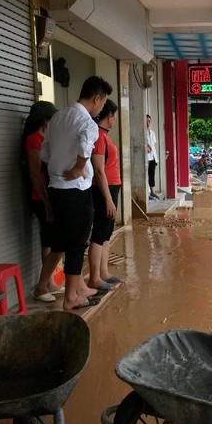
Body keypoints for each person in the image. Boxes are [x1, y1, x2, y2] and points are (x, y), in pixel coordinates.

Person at [34, 76, 113, 311]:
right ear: (97, 98)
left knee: (59, 242)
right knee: (77, 244)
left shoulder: (58, 116)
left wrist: (57, 168)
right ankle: (71, 298)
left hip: (56, 189)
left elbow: (45, 151)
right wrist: (78, 168)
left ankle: (42, 287)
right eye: (102, 103)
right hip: (75, 191)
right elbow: (85, 145)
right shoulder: (86, 121)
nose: (101, 108)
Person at [23, 101, 62, 302]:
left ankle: (48, 283)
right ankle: (42, 286)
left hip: (46, 196)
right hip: (40, 198)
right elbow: (35, 175)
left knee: (48, 240)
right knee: (54, 240)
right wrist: (47, 203)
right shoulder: (33, 140)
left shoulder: (42, 139)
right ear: (46, 121)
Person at [88, 99, 123, 290]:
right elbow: (99, 170)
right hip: (104, 190)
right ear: (109, 116)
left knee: (107, 233)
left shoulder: (104, 136)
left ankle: (103, 272)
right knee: (99, 232)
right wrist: (108, 199)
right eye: (114, 115)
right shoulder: (98, 137)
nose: (115, 119)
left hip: (111, 188)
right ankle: (94, 278)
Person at [146, 114, 159, 200]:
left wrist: (156, 158)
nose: (148, 123)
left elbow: (153, 146)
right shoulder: (142, 132)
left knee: (152, 174)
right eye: (146, 121)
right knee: (146, 175)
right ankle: (147, 193)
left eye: (149, 121)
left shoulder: (152, 132)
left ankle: (153, 191)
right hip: (146, 157)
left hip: (153, 156)